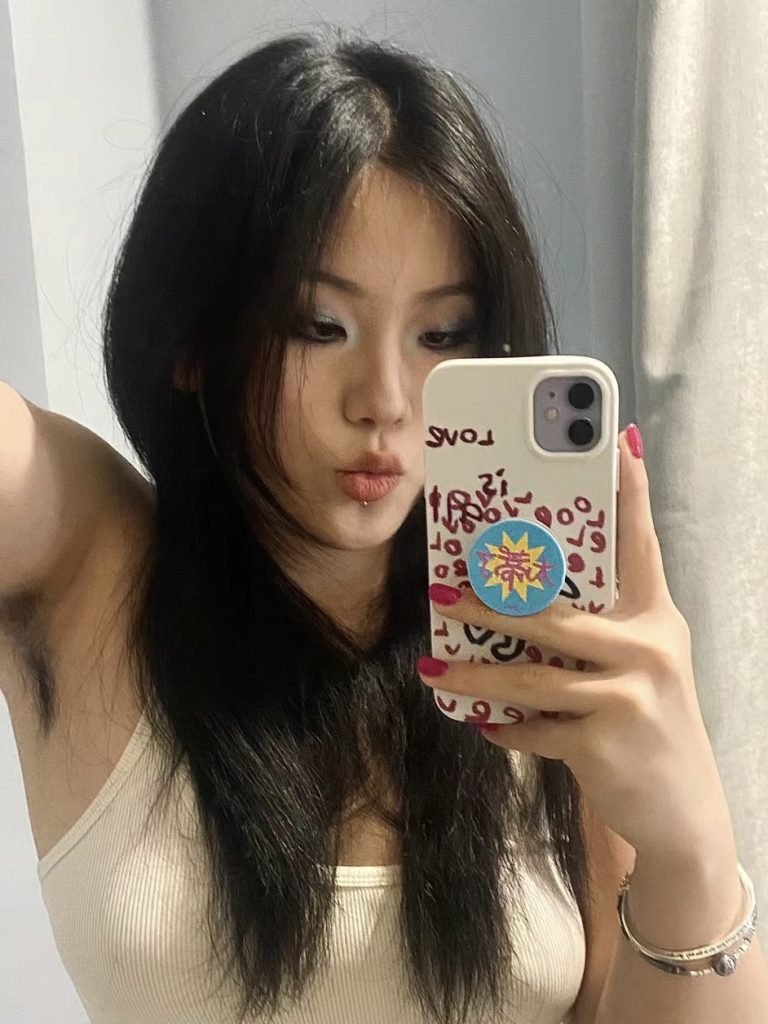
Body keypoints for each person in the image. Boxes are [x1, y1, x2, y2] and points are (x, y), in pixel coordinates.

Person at [1, 27, 766, 1024]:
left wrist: (690, 848)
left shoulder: (535, 644)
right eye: (319, 325)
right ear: (193, 336)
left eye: (442, 334)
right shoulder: (86, 559)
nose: (387, 402)